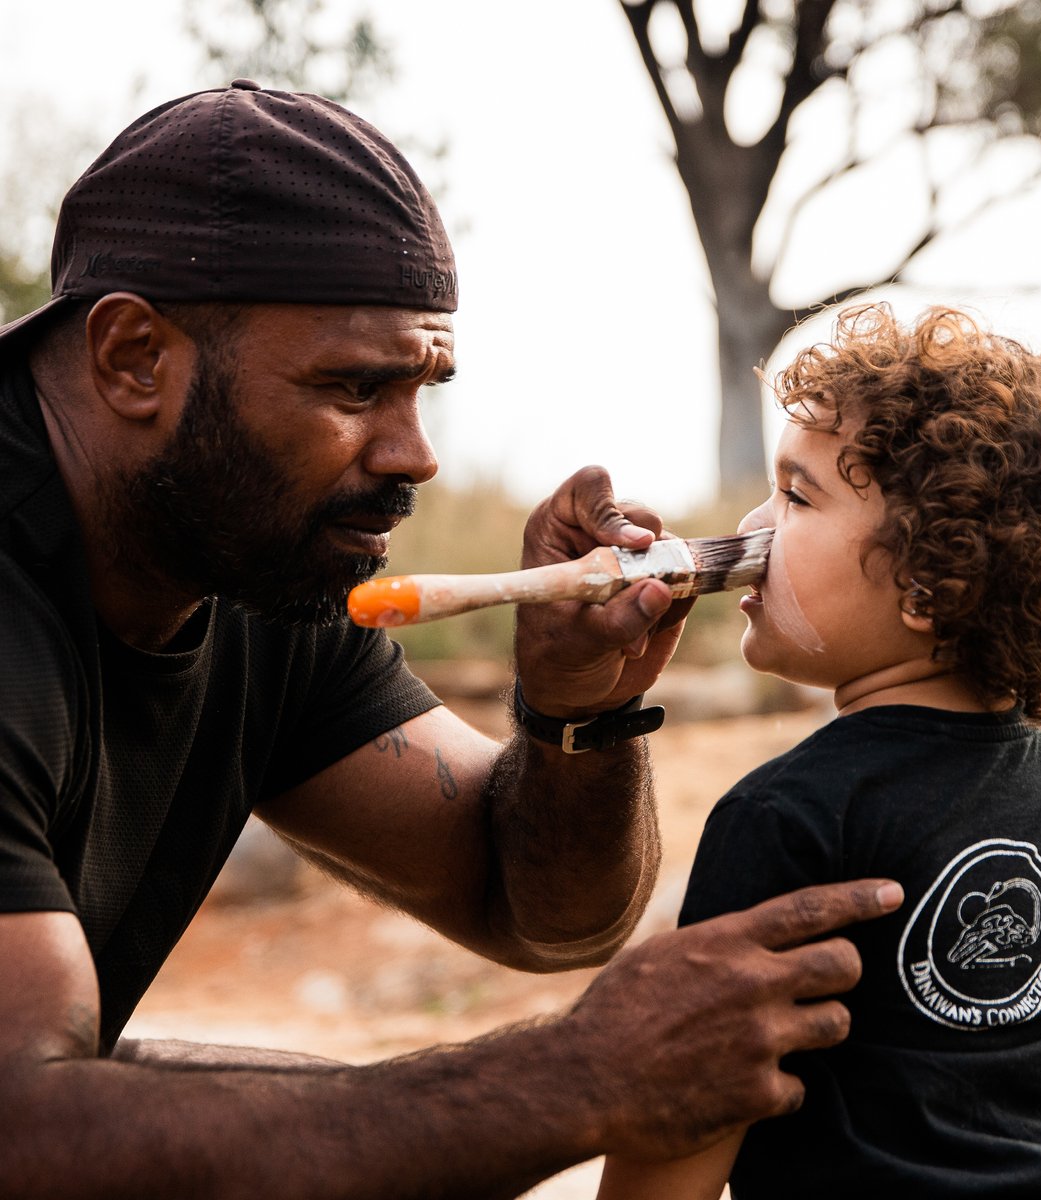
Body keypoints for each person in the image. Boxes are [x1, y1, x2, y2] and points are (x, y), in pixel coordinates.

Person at [0, 81, 906, 1198]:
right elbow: (23, 1128)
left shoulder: (247, 559)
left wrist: (576, 707)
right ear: (134, 356)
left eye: (423, 387)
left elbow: (530, 906)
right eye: (354, 387)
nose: (414, 455)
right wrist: (583, 1074)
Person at [598, 303, 1041, 1199]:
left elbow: (697, 1090)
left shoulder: (781, 817)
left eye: (795, 496)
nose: (751, 525)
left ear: (928, 583)